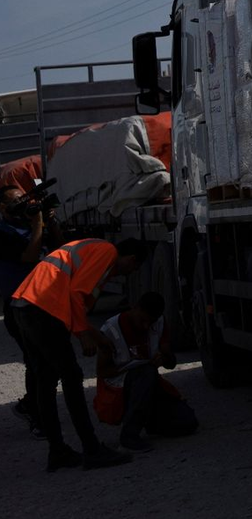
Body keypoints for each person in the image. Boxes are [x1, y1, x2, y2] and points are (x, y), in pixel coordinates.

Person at [10, 237, 149, 470]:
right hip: (44, 307)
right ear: (132, 259)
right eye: (134, 268)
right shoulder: (107, 251)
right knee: (72, 377)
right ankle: (92, 449)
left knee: (45, 380)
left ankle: (58, 451)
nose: (130, 273)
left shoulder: (92, 250)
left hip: (25, 306)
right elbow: (75, 294)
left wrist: (96, 336)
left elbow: (76, 306)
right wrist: (84, 335)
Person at [94, 290, 198, 450]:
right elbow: (102, 372)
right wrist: (129, 368)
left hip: (148, 387)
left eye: (150, 322)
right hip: (120, 390)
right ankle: (129, 435)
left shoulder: (158, 324)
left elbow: (171, 362)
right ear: (135, 308)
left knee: (188, 422)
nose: (146, 326)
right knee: (145, 373)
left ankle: (149, 420)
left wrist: (164, 358)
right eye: (143, 320)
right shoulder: (111, 329)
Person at [0, 186, 50, 437]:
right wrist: (38, 224)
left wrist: (48, 218)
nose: (21, 205)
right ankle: (35, 414)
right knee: (35, 360)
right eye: (15, 202)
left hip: (41, 302)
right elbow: (30, 257)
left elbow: (58, 245)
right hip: (19, 307)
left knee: (44, 360)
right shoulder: (3, 233)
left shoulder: (25, 222)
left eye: (23, 199)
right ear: (2, 208)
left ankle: (34, 406)